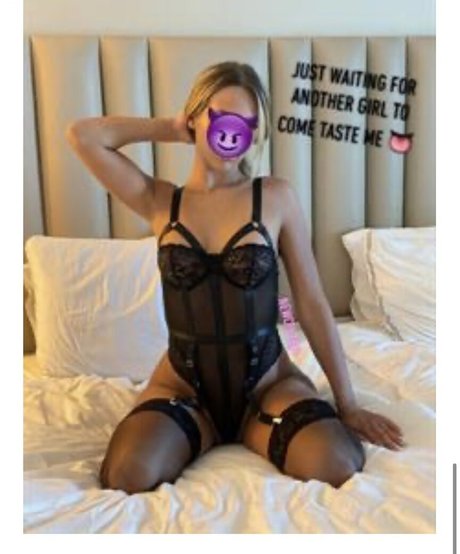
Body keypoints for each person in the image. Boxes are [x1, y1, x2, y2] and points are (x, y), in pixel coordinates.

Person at [66, 61, 406, 495]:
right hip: (184, 388)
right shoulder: (159, 200)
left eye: (247, 122)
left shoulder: (275, 197)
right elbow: (83, 136)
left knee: (336, 462)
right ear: (195, 116)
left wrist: (349, 404)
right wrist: (171, 127)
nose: (233, 131)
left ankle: (253, 429)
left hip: (268, 386)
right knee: (127, 475)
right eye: (221, 116)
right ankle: (201, 430)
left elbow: (310, 303)